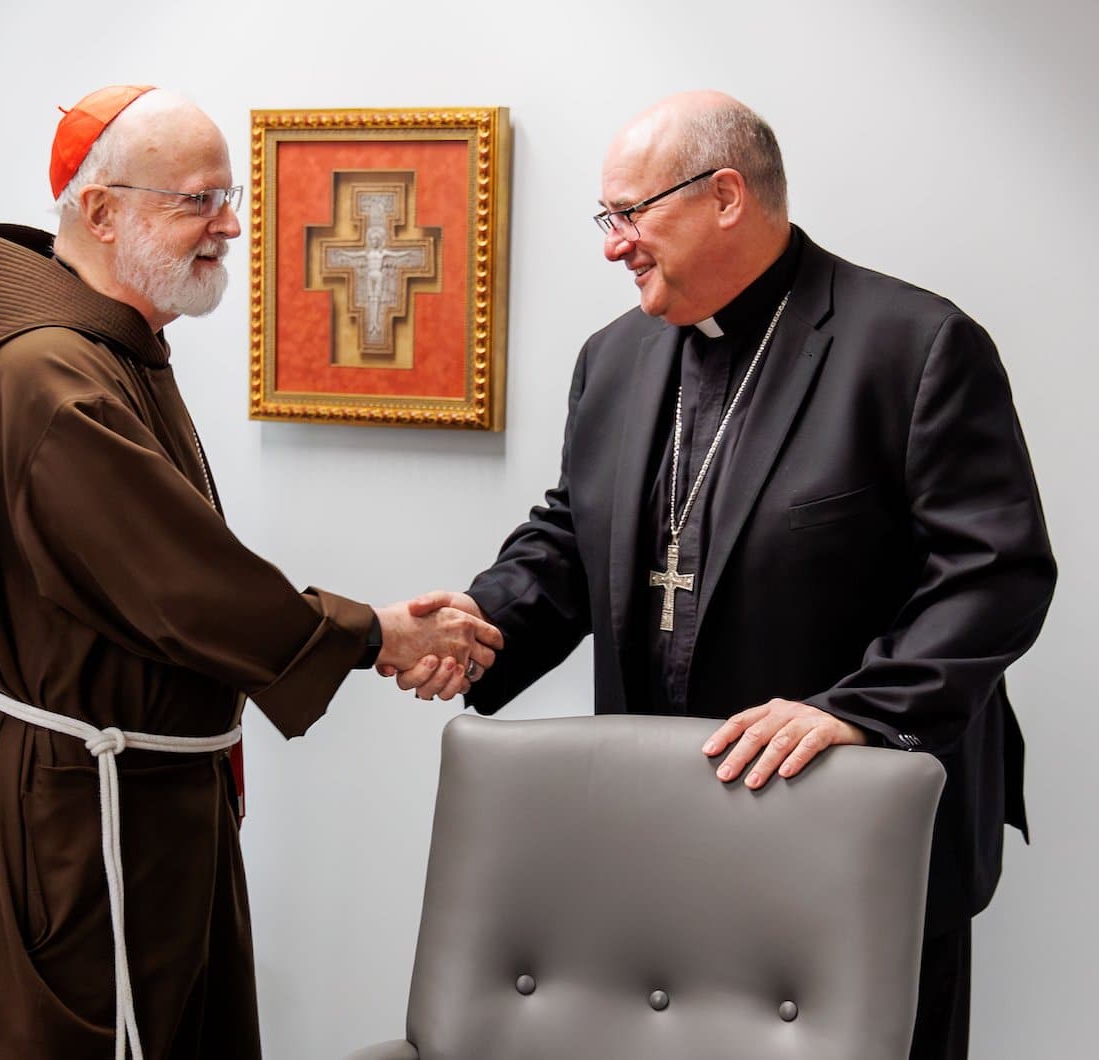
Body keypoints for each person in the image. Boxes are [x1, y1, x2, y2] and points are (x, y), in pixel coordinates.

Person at [391, 91, 1055, 1058]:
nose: (612, 244)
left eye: (630, 214)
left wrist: (859, 709)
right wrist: (481, 623)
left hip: (848, 819)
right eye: (604, 219)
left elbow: (993, 574)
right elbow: (577, 537)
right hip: (662, 820)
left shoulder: (911, 346)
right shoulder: (611, 359)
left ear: (726, 195)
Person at [0, 85, 501, 1060]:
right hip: (71, 813)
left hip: (137, 792)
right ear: (100, 211)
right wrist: (375, 634)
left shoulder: (110, 354)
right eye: (196, 200)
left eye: (230, 197)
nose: (229, 225)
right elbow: (183, 584)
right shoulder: (49, 377)